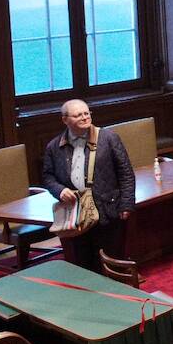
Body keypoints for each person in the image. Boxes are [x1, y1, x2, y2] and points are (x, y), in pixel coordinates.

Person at [40, 100, 136, 272]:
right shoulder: (54, 147)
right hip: (76, 215)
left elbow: (126, 173)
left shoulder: (108, 138)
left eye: (86, 113)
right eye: (78, 115)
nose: (85, 118)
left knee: (111, 263)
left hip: (108, 211)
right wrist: (59, 190)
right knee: (83, 264)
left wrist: (127, 204)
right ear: (65, 120)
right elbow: (47, 177)